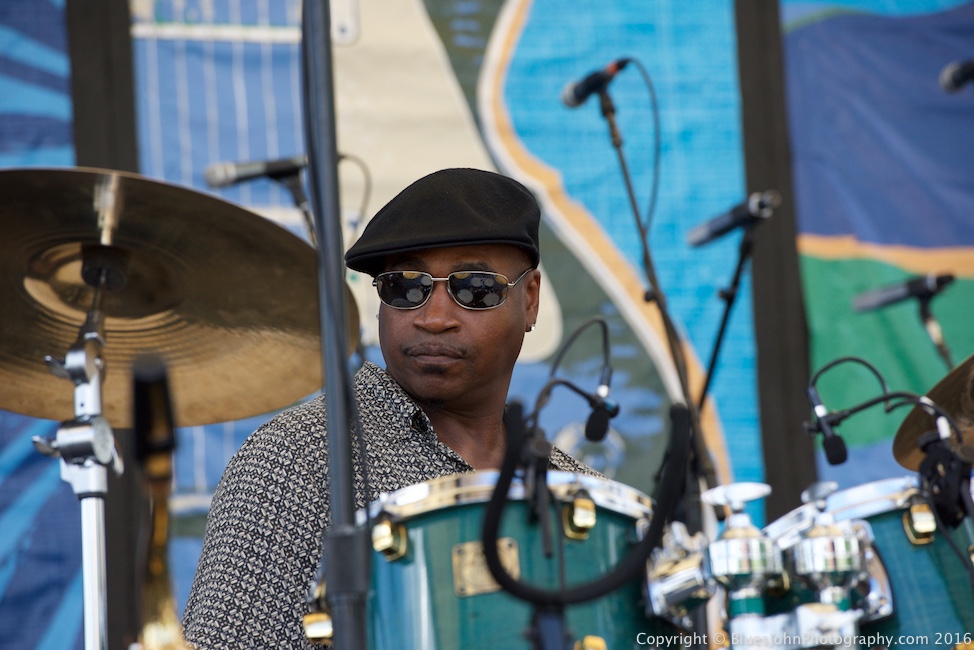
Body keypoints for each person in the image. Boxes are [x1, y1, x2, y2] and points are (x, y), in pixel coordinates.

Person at [181, 168, 598, 649]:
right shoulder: (298, 462)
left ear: (529, 299)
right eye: (405, 287)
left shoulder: (580, 497)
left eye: (475, 287)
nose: (434, 317)